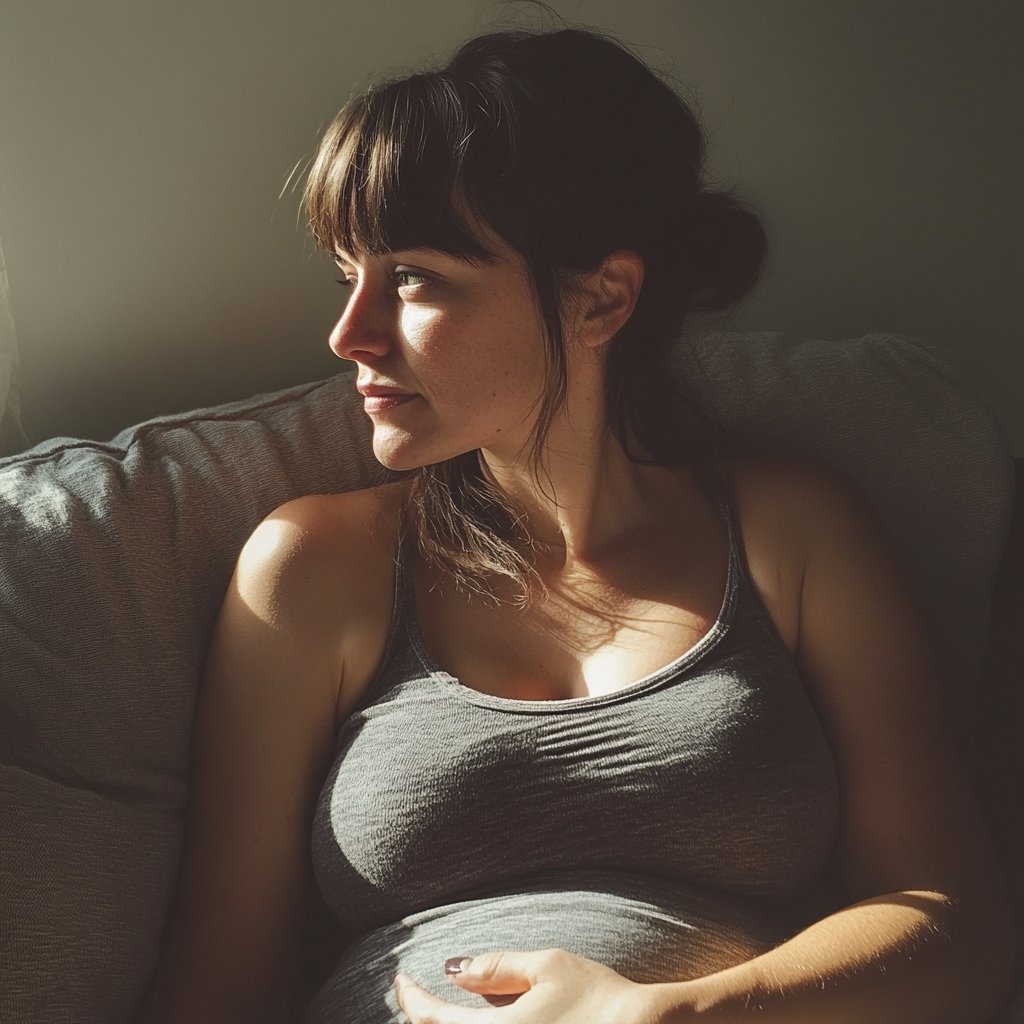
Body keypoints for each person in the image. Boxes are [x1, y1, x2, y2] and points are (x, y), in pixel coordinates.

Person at [137, 27, 1017, 1024]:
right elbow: (218, 985)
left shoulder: (792, 533)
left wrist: (673, 1013)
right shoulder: (313, 569)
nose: (351, 333)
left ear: (601, 297)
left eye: (415, 276)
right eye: (350, 274)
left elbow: (960, 929)